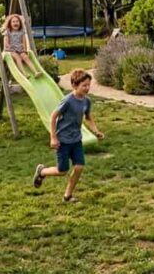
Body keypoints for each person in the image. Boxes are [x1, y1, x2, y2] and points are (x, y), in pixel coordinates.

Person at [31, 69, 104, 202]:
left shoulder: (86, 101)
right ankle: (42, 172)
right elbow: (53, 117)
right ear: (75, 86)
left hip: (76, 140)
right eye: (84, 85)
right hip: (63, 141)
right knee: (62, 171)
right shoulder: (68, 100)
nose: (87, 88)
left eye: (88, 85)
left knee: (79, 167)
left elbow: (88, 117)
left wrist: (96, 130)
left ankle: (67, 195)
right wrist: (53, 137)